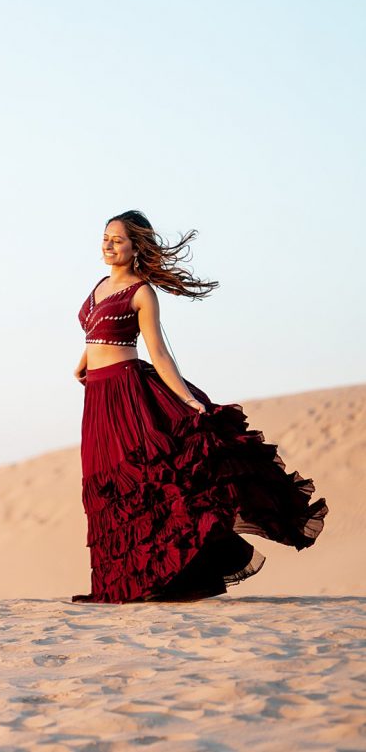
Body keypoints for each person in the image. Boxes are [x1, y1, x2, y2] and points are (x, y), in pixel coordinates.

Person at [72, 212, 327, 603]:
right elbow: (96, 333)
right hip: (98, 398)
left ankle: (164, 579)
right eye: (105, 238)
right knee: (105, 484)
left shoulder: (142, 292)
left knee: (146, 483)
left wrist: (188, 399)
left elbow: (158, 353)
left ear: (136, 246)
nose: (107, 245)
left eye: (117, 240)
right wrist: (84, 360)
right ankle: (118, 585)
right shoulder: (101, 284)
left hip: (126, 392)